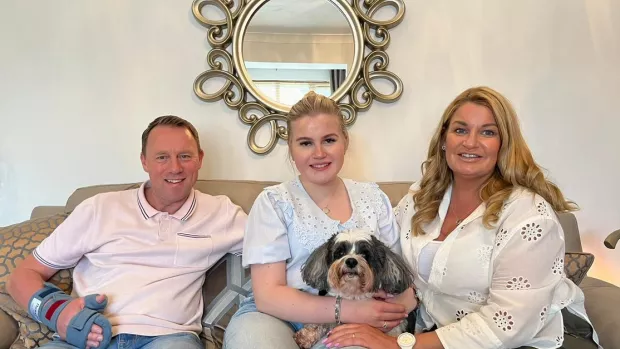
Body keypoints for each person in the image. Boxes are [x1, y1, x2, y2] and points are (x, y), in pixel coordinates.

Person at [323, 86, 601, 349]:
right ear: (444, 139)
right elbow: (386, 256)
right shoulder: (419, 200)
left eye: (488, 132)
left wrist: (401, 344)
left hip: (536, 339)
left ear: (504, 145)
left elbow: (508, 324)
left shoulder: (528, 215)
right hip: (442, 334)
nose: (471, 142)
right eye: (460, 130)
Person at [7, 115, 248, 349]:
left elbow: (276, 249)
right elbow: (21, 277)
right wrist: (57, 312)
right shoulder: (99, 208)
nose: (175, 167)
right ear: (144, 161)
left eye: (184, 156)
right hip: (87, 338)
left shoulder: (221, 213)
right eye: (162, 157)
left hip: (168, 339)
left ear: (199, 159)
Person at [223, 91, 417, 349]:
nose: (319, 153)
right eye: (305, 143)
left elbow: (398, 275)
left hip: (360, 312)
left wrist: (399, 305)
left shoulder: (373, 197)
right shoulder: (274, 202)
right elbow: (268, 296)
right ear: (291, 148)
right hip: (275, 316)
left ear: (345, 142)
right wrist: (346, 310)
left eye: (329, 140)